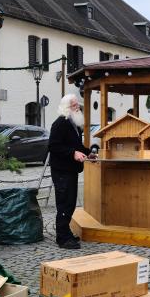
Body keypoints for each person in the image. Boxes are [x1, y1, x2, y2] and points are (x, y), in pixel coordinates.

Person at [49, 94, 91, 250]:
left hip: (70, 170)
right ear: (66, 108)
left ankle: (66, 232)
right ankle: (62, 238)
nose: (77, 107)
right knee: (64, 204)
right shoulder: (60, 123)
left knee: (70, 203)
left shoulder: (73, 123)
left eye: (77, 104)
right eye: (74, 105)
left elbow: (77, 145)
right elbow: (53, 146)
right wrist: (72, 153)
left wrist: (88, 152)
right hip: (61, 171)